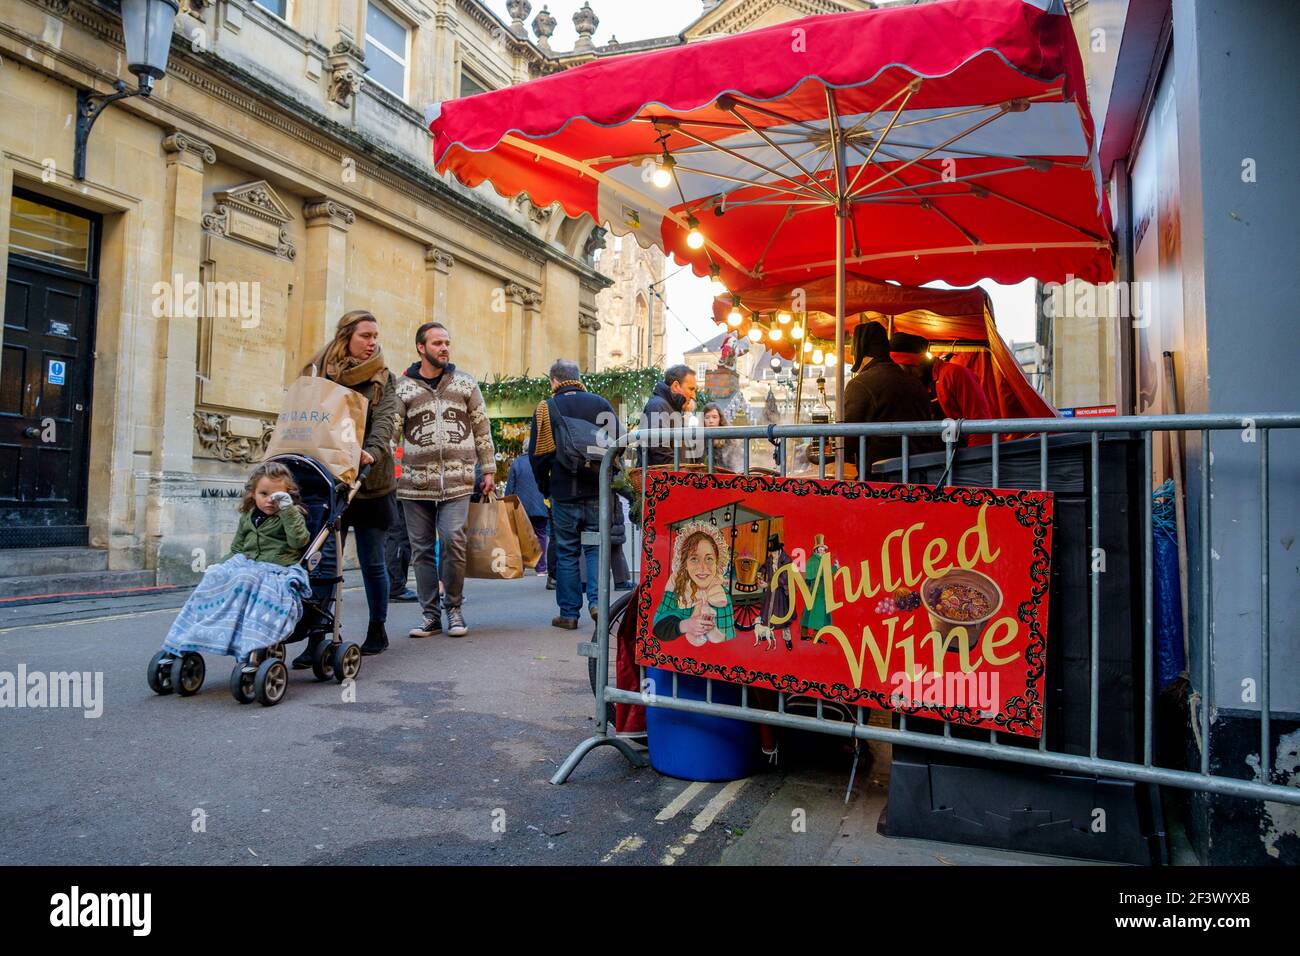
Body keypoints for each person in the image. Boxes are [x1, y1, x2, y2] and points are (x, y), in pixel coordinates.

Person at [295, 310, 399, 664]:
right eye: (365, 336)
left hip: (369, 482)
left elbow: (387, 418)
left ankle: (377, 627)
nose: (372, 343)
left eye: (375, 336)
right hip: (327, 481)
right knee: (323, 562)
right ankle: (317, 634)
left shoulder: (384, 378)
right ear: (346, 337)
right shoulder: (318, 373)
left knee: (372, 561)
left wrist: (371, 450)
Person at [396, 321, 496, 639]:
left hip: (458, 480)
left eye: (447, 343)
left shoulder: (465, 383)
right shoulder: (403, 387)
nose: (444, 348)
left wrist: (489, 468)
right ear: (421, 347)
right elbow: (391, 428)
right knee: (422, 550)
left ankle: (453, 607)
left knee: (453, 539)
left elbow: (481, 428)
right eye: (437, 343)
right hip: (414, 483)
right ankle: (429, 616)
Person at [162, 462, 311, 662]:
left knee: (245, 578)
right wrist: (221, 566)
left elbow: (298, 541)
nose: (269, 501)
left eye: (277, 496)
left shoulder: (292, 515)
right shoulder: (248, 516)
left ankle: (249, 642)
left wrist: (287, 509)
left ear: (287, 496)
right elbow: (237, 548)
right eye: (264, 494)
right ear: (253, 494)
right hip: (247, 563)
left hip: (277, 567)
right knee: (215, 576)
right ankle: (183, 638)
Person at [528, 359, 620, 630]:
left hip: (563, 491)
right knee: (595, 549)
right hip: (596, 489)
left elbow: (538, 455)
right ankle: (596, 604)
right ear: (579, 378)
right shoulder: (600, 403)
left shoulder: (547, 407)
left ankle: (568, 614)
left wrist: (546, 487)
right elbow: (620, 443)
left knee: (567, 551)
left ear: (554, 381)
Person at [843, 321, 938, 472]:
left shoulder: (860, 384)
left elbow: (847, 440)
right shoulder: (915, 383)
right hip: (919, 473)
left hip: (882, 478)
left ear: (859, 352)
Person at [889, 333, 995, 447]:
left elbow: (979, 421)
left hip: (960, 454)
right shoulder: (914, 384)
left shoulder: (955, 374)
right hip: (930, 456)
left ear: (914, 364)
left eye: (903, 369)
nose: (901, 375)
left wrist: (976, 460)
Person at [651, 523, 736, 646]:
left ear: (717, 562)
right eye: (694, 559)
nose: (702, 567)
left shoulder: (721, 594)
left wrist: (713, 632)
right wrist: (685, 625)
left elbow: (729, 643)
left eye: (709, 559)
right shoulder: (676, 588)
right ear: (684, 563)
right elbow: (658, 627)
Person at [506, 438, 550, 577]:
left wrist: (507, 506)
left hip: (521, 508)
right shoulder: (541, 463)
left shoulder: (516, 463)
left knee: (521, 537)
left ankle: (521, 567)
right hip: (540, 506)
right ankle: (541, 568)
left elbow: (510, 489)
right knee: (541, 536)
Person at [639, 364, 698, 466]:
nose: (694, 396)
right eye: (691, 389)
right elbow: (661, 453)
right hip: (664, 479)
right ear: (675, 386)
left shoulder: (670, 408)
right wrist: (683, 474)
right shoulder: (658, 406)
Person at [385, 442, 418, 602]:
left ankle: (395, 585)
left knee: (396, 534)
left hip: (396, 479)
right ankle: (395, 587)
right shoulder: (397, 418)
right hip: (399, 480)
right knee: (399, 535)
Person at [701, 402, 744, 472]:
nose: (711, 421)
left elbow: (735, 465)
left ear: (720, 419)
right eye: (707, 417)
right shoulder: (699, 440)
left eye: (714, 417)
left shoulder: (729, 439)